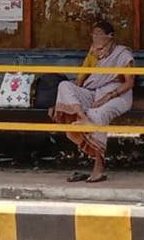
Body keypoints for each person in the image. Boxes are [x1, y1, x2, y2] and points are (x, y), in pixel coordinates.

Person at [50, 20, 134, 183]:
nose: (95, 37)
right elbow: (82, 78)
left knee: (97, 114)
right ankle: (83, 118)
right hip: (94, 92)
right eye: (93, 34)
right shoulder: (94, 53)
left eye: (98, 34)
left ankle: (98, 167)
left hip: (117, 95)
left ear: (110, 37)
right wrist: (61, 101)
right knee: (64, 86)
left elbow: (129, 83)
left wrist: (108, 96)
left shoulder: (123, 54)